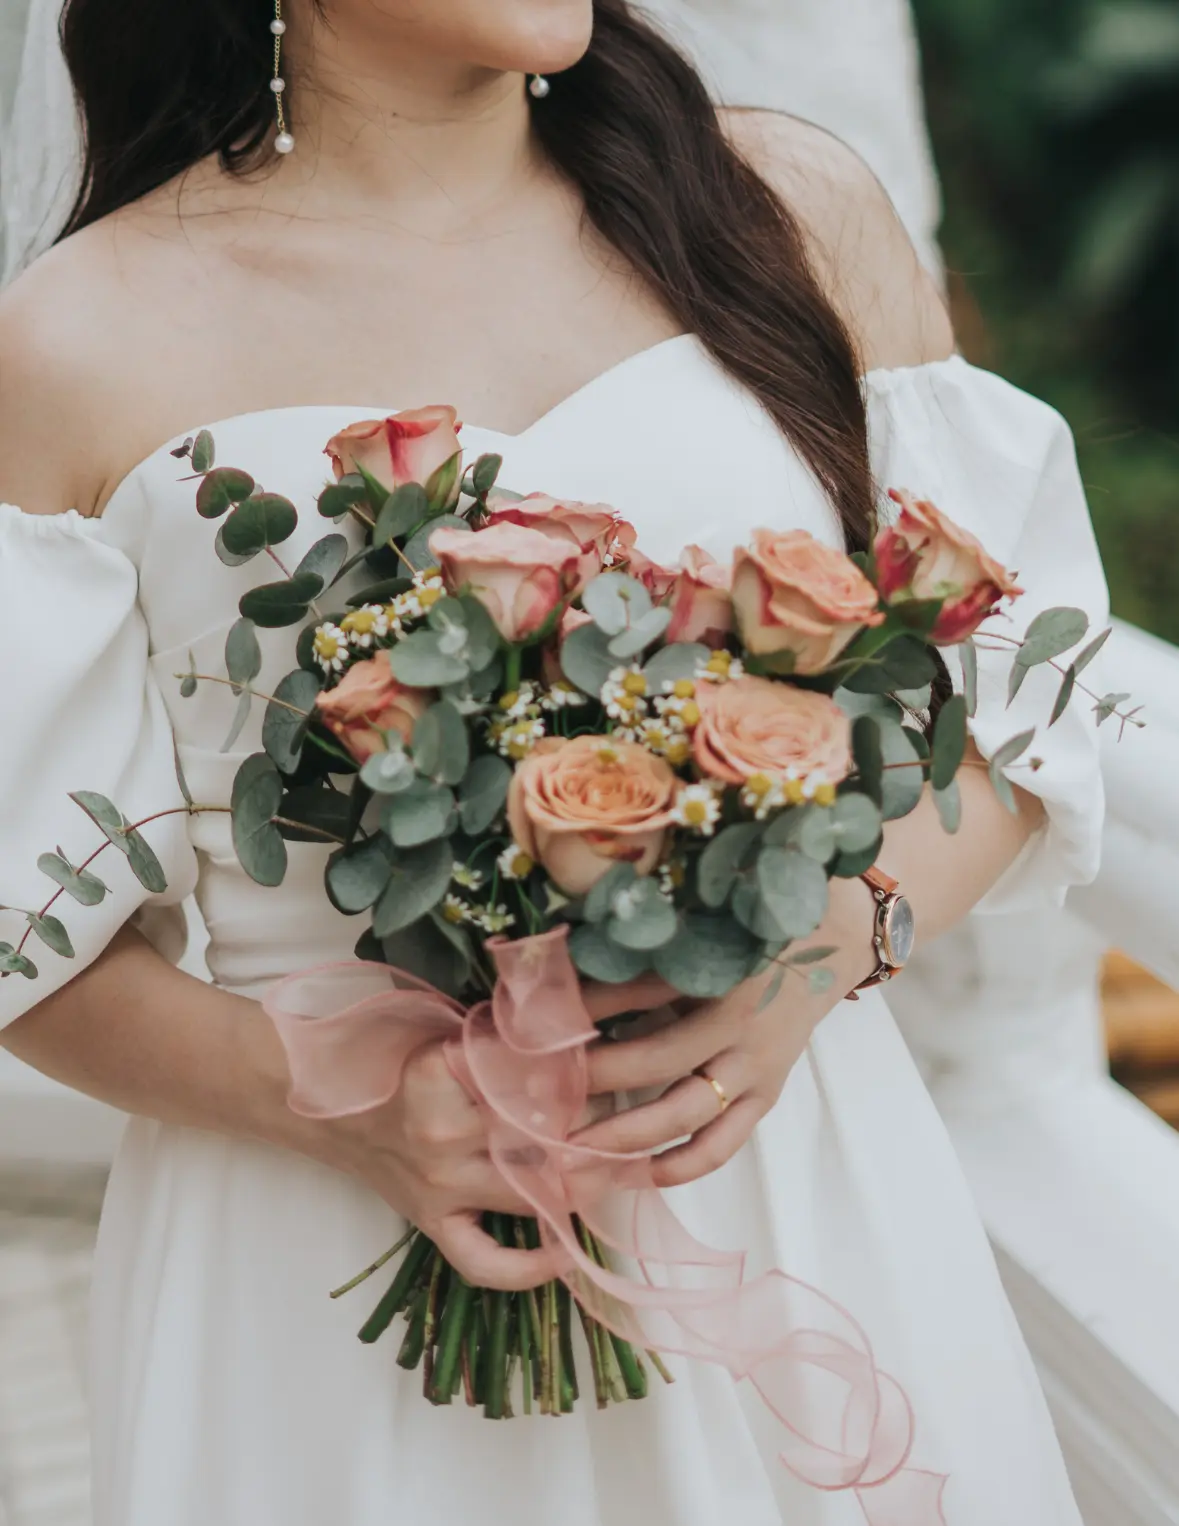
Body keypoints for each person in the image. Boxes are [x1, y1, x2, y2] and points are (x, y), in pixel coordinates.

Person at [0, 2, 1106, 1523]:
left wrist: (839, 930)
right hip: (315, 1251)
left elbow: (1023, 705)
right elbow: (28, 937)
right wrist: (342, 1101)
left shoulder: (776, 208)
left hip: (781, 1175)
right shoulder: (78, 336)